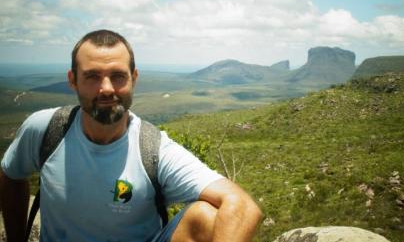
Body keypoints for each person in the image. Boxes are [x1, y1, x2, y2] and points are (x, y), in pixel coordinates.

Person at [0, 29, 262, 242]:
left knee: (204, 216)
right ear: (73, 80)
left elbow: (242, 205)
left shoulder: (153, 150)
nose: (106, 89)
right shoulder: (46, 129)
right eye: (92, 76)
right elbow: (11, 175)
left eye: (118, 76)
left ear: (134, 78)